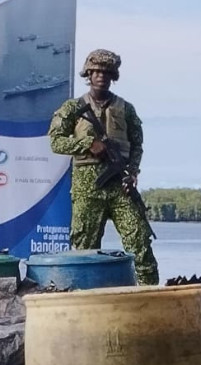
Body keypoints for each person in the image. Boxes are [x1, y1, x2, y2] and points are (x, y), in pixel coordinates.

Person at [48, 49, 159, 285]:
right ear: (88, 73)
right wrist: (88, 144)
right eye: (97, 71)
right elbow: (55, 141)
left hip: (120, 184)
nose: (101, 76)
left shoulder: (125, 108)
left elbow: (137, 144)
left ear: (113, 76)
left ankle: (149, 293)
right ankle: (86, 296)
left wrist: (133, 172)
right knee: (85, 249)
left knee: (139, 241)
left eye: (107, 73)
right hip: (88, 186)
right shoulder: (73, 108)